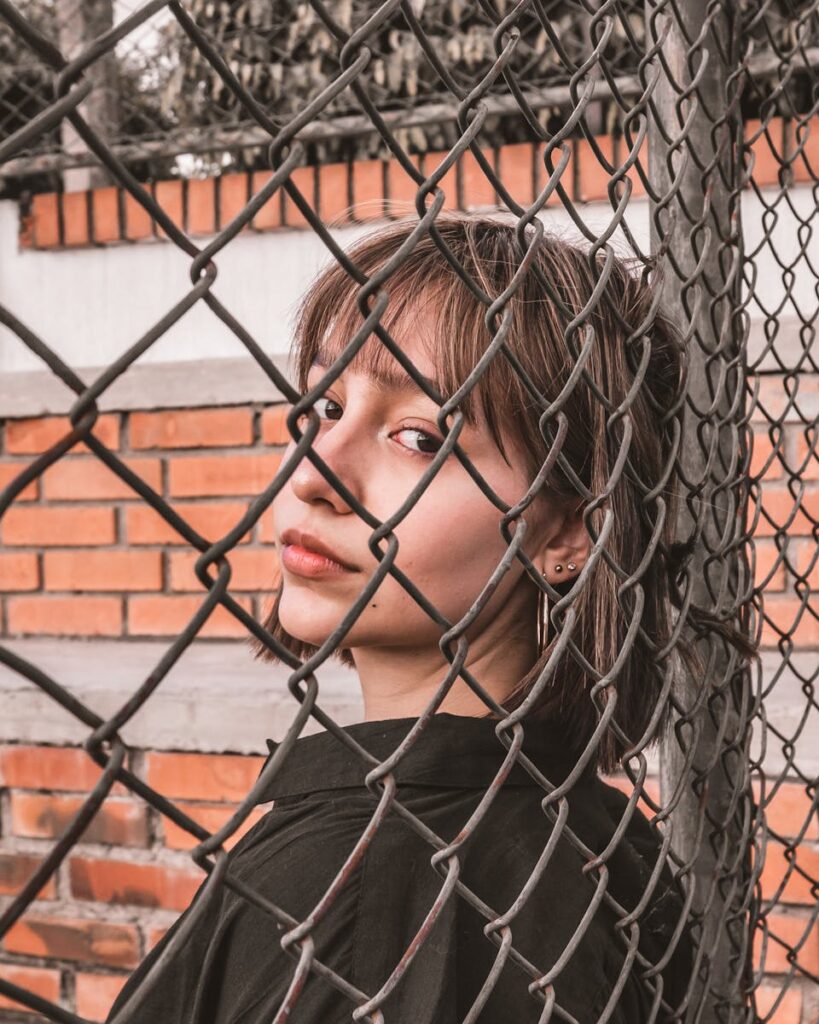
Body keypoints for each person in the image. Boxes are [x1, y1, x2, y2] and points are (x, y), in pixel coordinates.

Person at [106, 213, 752, 1024]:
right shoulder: (596, 829)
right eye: (322, 407)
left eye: (419, 436)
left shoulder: (353, 894)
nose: (315, 472)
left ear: (564, 531)